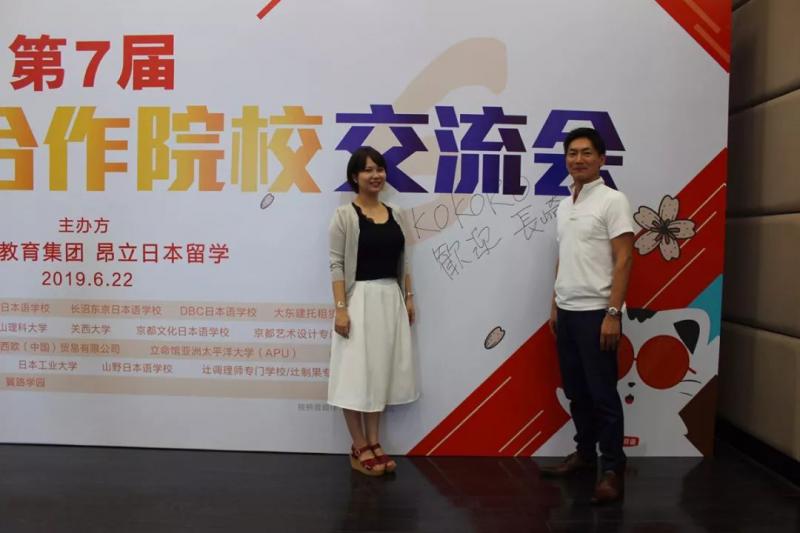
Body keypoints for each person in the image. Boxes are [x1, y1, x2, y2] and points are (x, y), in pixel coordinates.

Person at [540, 128, 634, 504]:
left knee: (602, 395)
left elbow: (624, 259)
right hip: (567, 312)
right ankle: (584, 454)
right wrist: (554, 304)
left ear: (601, 159)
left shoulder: (613, 200)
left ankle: (612, 469)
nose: (578, 159)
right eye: (572, 153)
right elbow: (564, 257)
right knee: (577, 393)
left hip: (598, 314)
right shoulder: (565, 205)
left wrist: (613, 313)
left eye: (586, 153)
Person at [327, 146, 419, 476]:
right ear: (355, 176)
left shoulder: (396, 213)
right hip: (359, 299)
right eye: (367, 170)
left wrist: (408, 297)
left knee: (379, 373)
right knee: (355, 375)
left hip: (389, 299)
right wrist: (340, 309)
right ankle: (358, 445)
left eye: (379, 169)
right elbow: (336, 264)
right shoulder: (344, 216)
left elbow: (404, 261)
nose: (375, 175)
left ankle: (375, 441)